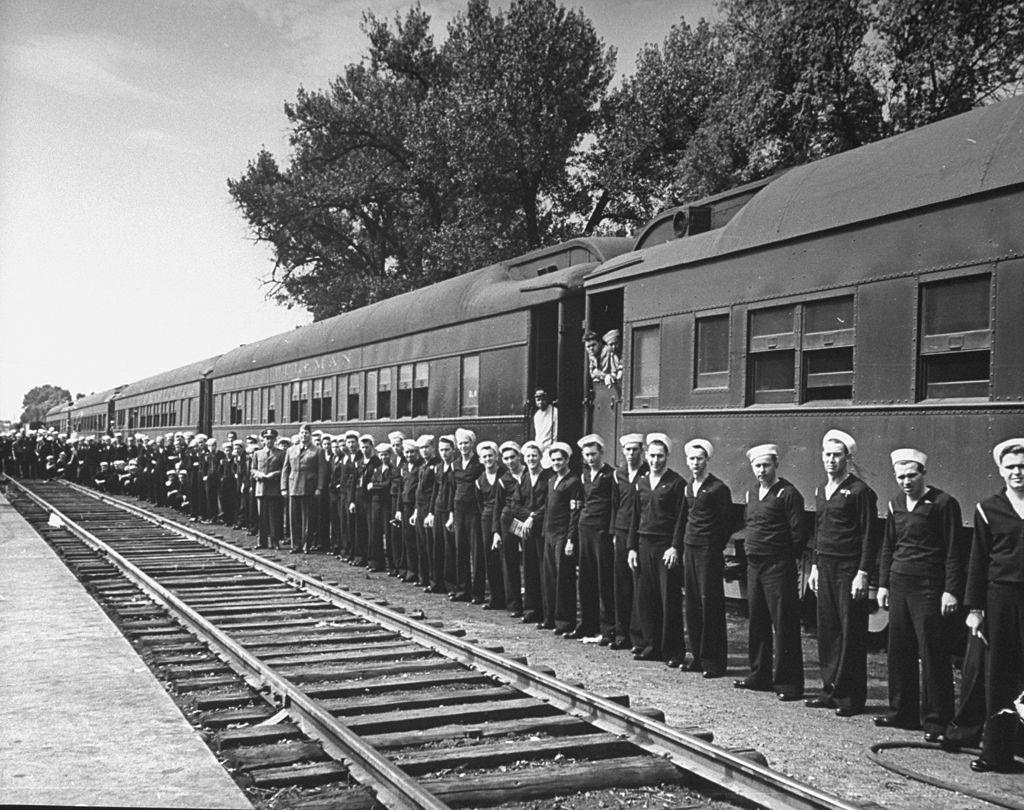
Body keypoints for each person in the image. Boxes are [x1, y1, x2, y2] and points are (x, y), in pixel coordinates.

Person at [875, 448, 965, 740]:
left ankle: (937, 720)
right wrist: (884, 584)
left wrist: (951, 590)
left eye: (912, 475)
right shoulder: (896, 503)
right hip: (900, 581)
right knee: (899, 648)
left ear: (923, 474)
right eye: (900, 476)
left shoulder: (943, 503)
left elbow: (954, 551)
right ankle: (902, 712)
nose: (906, 481)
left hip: (928, 585)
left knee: (932, 651)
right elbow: (889, 546)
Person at [806, 429, 878, 717]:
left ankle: (850, 698)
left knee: (851, 633)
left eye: (837, 455)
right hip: (824, 566)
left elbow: (870, 536)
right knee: (828, 630)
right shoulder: (820, 490)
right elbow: (818, 531)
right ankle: (830, 690)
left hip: (849, 568)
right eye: (827, 455)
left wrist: (863, 573)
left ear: (848, 458)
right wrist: (813, 565)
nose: (831, 460)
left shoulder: (860, 492)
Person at [964, 438, 1024, 772]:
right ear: (1001, 471)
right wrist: (975, 610)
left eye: (1022, 467)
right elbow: (978, 562)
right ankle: (996, 754)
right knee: (1000, 676)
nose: (1017, 472)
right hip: (1000, 599)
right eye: (1011, 467)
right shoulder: (989, 508)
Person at [734, 443, 805, 701]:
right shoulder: (753, 492)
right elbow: (749, 523)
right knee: (758, 620)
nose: (761, 470)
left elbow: (798, 534)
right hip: (756, 566)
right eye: (757, 466)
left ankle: (789, 684)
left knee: (783, 624)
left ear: (776, 465)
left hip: (778, 566)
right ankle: (759, 675)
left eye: (766, 465)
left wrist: (783, 560)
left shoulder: (788, 494)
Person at [627, 433, 688, 666]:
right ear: (646, 456)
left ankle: (672, 651)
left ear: (667, 457)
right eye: (651, 456)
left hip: (664, 547)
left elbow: (680, 520)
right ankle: (650, 645)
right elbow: (635, 516)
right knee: (646, 598)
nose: (655, 460)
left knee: (668, 599)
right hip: (644, 545)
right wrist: (631, 547)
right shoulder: (641, 482)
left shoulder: (676, 483)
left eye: (660, 456)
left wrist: (674, 547)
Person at [682, 439, 732, 678]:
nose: (695, 463)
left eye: (699, 458)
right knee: (692, 604)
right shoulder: (689, 485)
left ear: (707, 460)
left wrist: (713, 546)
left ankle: (714, 662)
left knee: (710, 605)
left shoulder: (718, 488)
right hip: (690, 550)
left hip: (707, 552)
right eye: (691, 459)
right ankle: (698, 658)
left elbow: (725, 523)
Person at [572, 433, 616, 643]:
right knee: (586, 580)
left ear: (601, 453)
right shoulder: (584, 476)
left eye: (593, 454)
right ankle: (587, 624)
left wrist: (612, 532)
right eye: (587, 455)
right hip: (585, 530)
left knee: (604, 580)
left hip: (602, 533)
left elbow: (614, 505)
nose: (590, 458)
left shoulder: (611, 475)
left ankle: (608, 629)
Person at [541, 441, 582, 635]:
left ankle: (564, 621)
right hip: (549, 534)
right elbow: (548, 508)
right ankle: (550, 618)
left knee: (563, 579)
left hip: (562, 535)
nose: (556, 463)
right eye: (553, 460)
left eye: (560, 459)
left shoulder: (573, 482)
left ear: (567, 460)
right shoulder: (551, 480)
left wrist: (570, 540)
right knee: (549, 577)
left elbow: (575, 513)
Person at [612, 433, 647, 652]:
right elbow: (614, 505)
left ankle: (638, 637)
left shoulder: (646, 474)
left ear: (641, 452)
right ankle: (621, 634)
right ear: (623, 452)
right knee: (621, 584)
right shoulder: (618, 475)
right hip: (622, 531)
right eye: (628, 450)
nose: (631, 453)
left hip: (640, 533)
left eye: (635, 450)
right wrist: (613, 533)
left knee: (638, 585)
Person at [515, 440, 551, 625]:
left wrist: (534, 517)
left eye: (534, 456)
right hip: (528, 530)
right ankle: (531, 610)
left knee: (543, 569)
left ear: (540, 457)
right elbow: (516, 503)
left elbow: (549, 503)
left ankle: (546, 613)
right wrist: (528, 516)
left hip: (543, 529)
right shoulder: (524, 478)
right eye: (528, 456)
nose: (531, 459)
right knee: (529, 569)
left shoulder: (548, 477)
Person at [281, 423, 329, 553]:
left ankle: (306, 545)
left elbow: (321, 471)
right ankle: (295, 545)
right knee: (294, 519)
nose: (303, 435)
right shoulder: (291, 450)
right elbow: (285, 470)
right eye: (301, 433)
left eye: (306, 433)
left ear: (310, 435)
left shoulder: (318, 451)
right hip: (293, 487)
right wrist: (283, 487)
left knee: (308, 519)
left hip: (309, 488)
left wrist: (319, 488)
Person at [448, 428, 483, 602]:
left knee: (476, 552)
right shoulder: (454, 465)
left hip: (474, 511)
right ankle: (462, 590)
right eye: (460, 443)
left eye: (466, 443)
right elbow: (451, 490)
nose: (463, 446)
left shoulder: (479, 464)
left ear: (472, 444)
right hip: (459, 511)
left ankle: (477, 593)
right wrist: (451, 515)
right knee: (460, 550)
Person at [494, 441, 526, 617]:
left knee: (529, 562)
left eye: (513, 457)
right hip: (508, 523)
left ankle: (531, 604)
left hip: (526, 523)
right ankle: (514, 604)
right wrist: (496, 532)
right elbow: (497, 508)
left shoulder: (529, 474)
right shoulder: (503, 480)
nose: (509, 461)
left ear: (519, 457)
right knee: (510, 562)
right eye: (506, 458)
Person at [475, 440, 506, 610]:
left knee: (505, 558)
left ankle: (508, 597)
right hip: (487, 519)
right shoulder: (479, 481)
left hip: (503, 517)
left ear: (496, 457)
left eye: (490, 455)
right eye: (484, 456)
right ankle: (496, 598)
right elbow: (481, 503)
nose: (488, 459)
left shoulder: (504, 475)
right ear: (480, 459)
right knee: (490, 559)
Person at [411, 434, 437, 588]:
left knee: (430, 545)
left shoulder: (436, 466)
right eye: (421, 448)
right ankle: (423, 578)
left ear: (432, 448)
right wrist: (415, 510)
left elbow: (434, 490)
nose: (424, 451)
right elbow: (418, 491)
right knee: (421, 544)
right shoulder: (422, 466)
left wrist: (431, 512)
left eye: (427, 447)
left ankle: (433, 580)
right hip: (420, 508)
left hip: (429, 509)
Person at [252, 429, 285, 549]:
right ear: (263, 440)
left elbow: (284, 470)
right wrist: (258, 474)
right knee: (262, 517)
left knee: (274, 517)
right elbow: (253, 469)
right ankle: (261, 541)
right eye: (267, 438)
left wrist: (275, 474)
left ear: (275, 440)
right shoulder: (258, 453)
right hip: (261, 488)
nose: (269, 441)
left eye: (271, 438)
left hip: (274, 489)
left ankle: (275, 541)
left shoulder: (281, 454)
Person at [532, 389, 558, 462]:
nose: (540, 402)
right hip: (539, 449)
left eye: (543, 399)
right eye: (538, 400)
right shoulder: (536, 415)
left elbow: (555, 434)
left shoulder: (554, 412)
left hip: (550, 449)